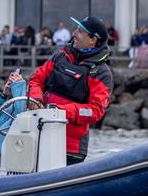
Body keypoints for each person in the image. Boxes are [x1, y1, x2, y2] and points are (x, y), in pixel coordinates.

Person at [28, 16, 113, 164]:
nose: (74, 34)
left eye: (80, 31)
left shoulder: (101, 73)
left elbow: (95, 111)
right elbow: (36, 80)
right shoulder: (60, 56)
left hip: (71, 148)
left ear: (93, 39)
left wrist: (60, 112)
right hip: (39, 134)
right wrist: (36, 99)